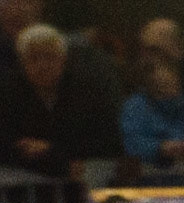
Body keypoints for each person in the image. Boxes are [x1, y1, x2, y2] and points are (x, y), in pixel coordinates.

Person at [0, 23, 123, 179]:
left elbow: (108, 142)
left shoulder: (87, 91)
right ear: (22, 63)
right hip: (24, 172)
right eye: (34, 58)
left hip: (78, 170)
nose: (42, 65)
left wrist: (51, 149)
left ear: (63, 59)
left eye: (49, 57)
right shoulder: (7, 93)